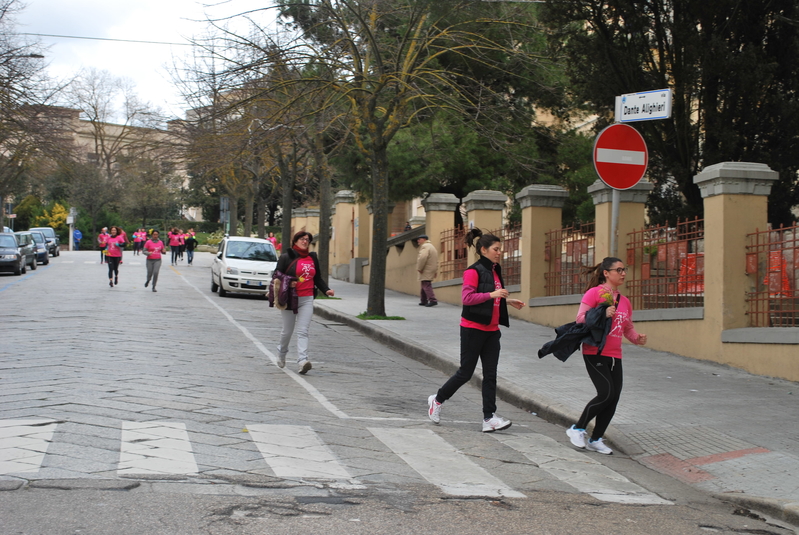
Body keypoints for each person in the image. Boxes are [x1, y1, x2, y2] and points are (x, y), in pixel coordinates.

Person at [427, 228, 525, 433]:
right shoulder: (473, 271)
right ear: (484, 250)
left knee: (490, 375)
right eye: (496, 249)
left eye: (500, 249)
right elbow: (468, 298)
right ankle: (437, 400)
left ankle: (489, 418)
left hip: (492, 331)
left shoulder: (495, 270)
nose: (499, 252)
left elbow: (493, 295)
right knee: (465, 373)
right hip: (473, 330)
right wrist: (493, 294)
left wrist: (508, 300)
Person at [565, 257, 647, 455]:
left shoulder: (625, 301)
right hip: (595, 352)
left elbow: (627, 328)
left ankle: (595, 439)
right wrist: (602, 314)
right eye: (619, 270)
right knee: (606, 393)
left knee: (613, 398)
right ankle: (577, 428)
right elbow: (580, 319)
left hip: (615, 355)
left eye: (624, 269)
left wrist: (637, 338)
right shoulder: (594, 293)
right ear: (606, 273)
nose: (623, 273)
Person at [272, 231, 334, 374]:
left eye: (307, 240)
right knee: (287, 331)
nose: (305, 241)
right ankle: (282, 352)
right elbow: (276, 274)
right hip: (290, 298)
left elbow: (317, 278)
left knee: (303, 331)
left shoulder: (312, 258)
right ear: (295, 241)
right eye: (302, 239)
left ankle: (302, 361)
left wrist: (326, 290)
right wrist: (289, 280)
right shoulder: (286, 257)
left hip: (307, 299)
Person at [416, 234, 439, 307]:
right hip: (431, 268)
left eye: (419, 239)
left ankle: (433, 300)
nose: (418, 241)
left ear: (424, 239)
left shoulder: (425, 246)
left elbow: (422, 258)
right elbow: (436, 260)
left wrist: (419, 268)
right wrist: (435, 271)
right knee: (424, 284)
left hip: (426, 268)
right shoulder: (431, 246)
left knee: (426, 284)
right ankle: (423, 300)